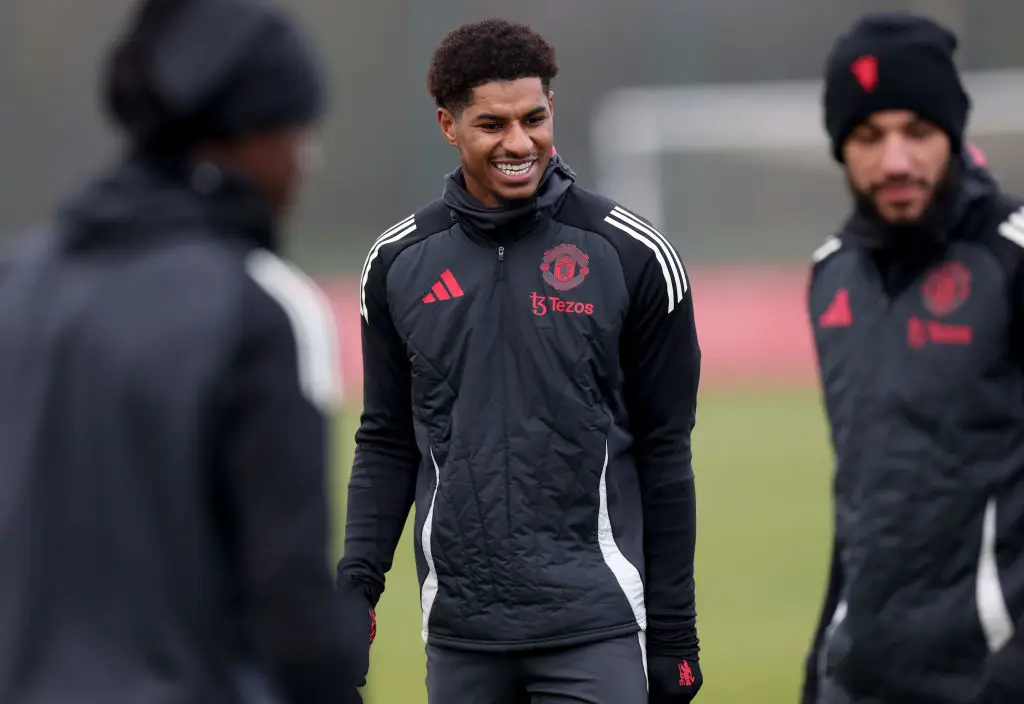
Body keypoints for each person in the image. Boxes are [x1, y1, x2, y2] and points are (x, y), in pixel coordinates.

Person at [0, 1, 365, 702]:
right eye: (296, 131)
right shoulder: (253, 308)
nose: (306, 161)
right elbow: (293, 608)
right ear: (242, 138)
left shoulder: (14, 284)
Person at [337, 18, 703, 704]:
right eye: (492, 124)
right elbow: (386, 440)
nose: (518, 143)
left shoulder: (631, 254)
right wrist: (355, 590)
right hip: (460, 636)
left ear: (551, 109)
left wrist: (676, 636)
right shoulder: (396, 263)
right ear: (448, 126)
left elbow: (666, 454)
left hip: (595, 628)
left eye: (533, 118)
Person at [802, 12, 1024, 704]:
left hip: (991, 675)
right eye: (869, 137)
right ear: (841, 147)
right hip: (861, 675)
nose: (895, 161)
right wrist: (820, 663)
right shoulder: (831, 276)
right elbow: (860, 497)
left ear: (953, 135)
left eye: (918, 132)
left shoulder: (1012, 258)